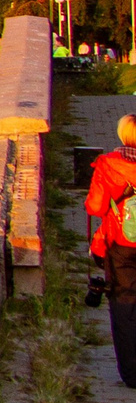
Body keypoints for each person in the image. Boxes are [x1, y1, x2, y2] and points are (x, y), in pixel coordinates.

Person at [90, 114, 136, 385]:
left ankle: (131, 373)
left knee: (124, 304)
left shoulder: (108, 165)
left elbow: (95, 207)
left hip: (120, 244)